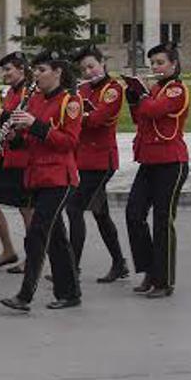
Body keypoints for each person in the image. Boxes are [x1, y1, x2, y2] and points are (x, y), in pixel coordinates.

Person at [0, 51, 84, 312]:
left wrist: (36, 125)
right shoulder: (34, 99)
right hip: (37, 175)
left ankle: (25, 295)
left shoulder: (70, 101)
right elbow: (26, 143)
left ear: (58, 72)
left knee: (37, 233)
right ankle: (70, 292)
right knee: (57, 237)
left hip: (60, 177)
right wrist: (12, 136)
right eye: (35, 71)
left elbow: (69, 142)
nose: (36, 75)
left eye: (42, 70)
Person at [124, 42, 190, 299]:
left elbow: (153, 110)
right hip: (149, 161)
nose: (155, 68)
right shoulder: (156, 89)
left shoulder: (176, 90)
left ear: (173, 65)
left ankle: (164, 280)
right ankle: (150, 270)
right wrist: (134, 98)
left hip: (171, 163)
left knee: (163, 221)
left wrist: (141, 94)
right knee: (134, 213)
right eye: (153, 63)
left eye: (160, 63)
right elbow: (140, 118)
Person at [70, 46, 129, 282]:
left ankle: (71, 266)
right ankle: (119, 263)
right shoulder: (82, 89)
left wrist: (76, 116)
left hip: (101, 161)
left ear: (103, 63)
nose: (88, 72)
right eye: (84, 68)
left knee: (74, 208)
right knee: (100, 214)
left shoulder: (112, 89)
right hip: (83, 160)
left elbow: (96, 119)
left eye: (91, 66)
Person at [0, 51, 35, 271]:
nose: (5, 74)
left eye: (8, 69)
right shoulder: (12, 92)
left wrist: (2, 115)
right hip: (7, 155)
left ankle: (33, 256)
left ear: (21, 70)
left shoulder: (29, 92)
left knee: (27, 209)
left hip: (23, 158)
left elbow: (26, 122)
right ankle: (8, 250)